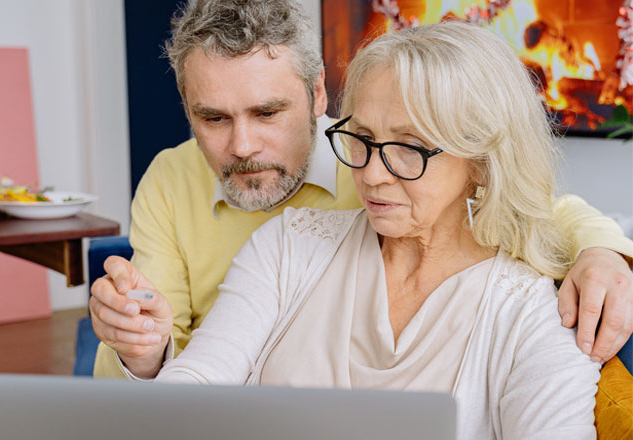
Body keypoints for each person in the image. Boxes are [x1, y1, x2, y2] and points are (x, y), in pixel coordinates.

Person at [91, 0, 633, 380]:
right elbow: (172, 370)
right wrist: (141, 351)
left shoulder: (372, 163)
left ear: (319, 93)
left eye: (268, 112)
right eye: (212, 118)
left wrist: (601, 250)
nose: (242, 145)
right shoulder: (175, 178)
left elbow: (534, 206)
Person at [154, 21, 604, 437]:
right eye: (363, 139)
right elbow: (198, 380)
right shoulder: (287, 245)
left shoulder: (534, 315)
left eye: (409, 147)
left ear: (483, 164)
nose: (371, 174)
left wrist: (606, 251)